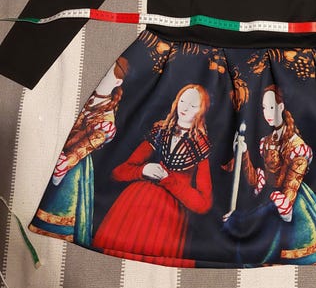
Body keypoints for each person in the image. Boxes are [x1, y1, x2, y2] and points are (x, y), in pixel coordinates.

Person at [91, 84, 213, 267]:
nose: (185, 108)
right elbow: (119, 172)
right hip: (134, 204)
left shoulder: (201, 147)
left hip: (167, 217)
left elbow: (203, 203)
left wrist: (169, 181)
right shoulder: (161, 132)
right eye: (182, 101)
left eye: (193, 105)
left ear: (201, 110)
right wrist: (142, 170)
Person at [222, 83, 316, 266]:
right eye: (264, 108)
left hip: (294, 205)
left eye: (271, 107)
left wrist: (247, 218)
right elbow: (255, 180)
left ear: (281, 106)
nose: (267, 113)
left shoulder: (297, 146)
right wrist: (244, 154)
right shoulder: (266, 141)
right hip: (270, 201)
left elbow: (288, 196)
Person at [28, 56, 129, 245]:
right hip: (54, 146)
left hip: (71, 167)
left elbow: (91, 142)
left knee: (58, 207)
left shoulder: (107, 118)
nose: (102, 74)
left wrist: (65, 164)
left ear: (117, 82)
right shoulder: (87, 94)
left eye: (108, 74)